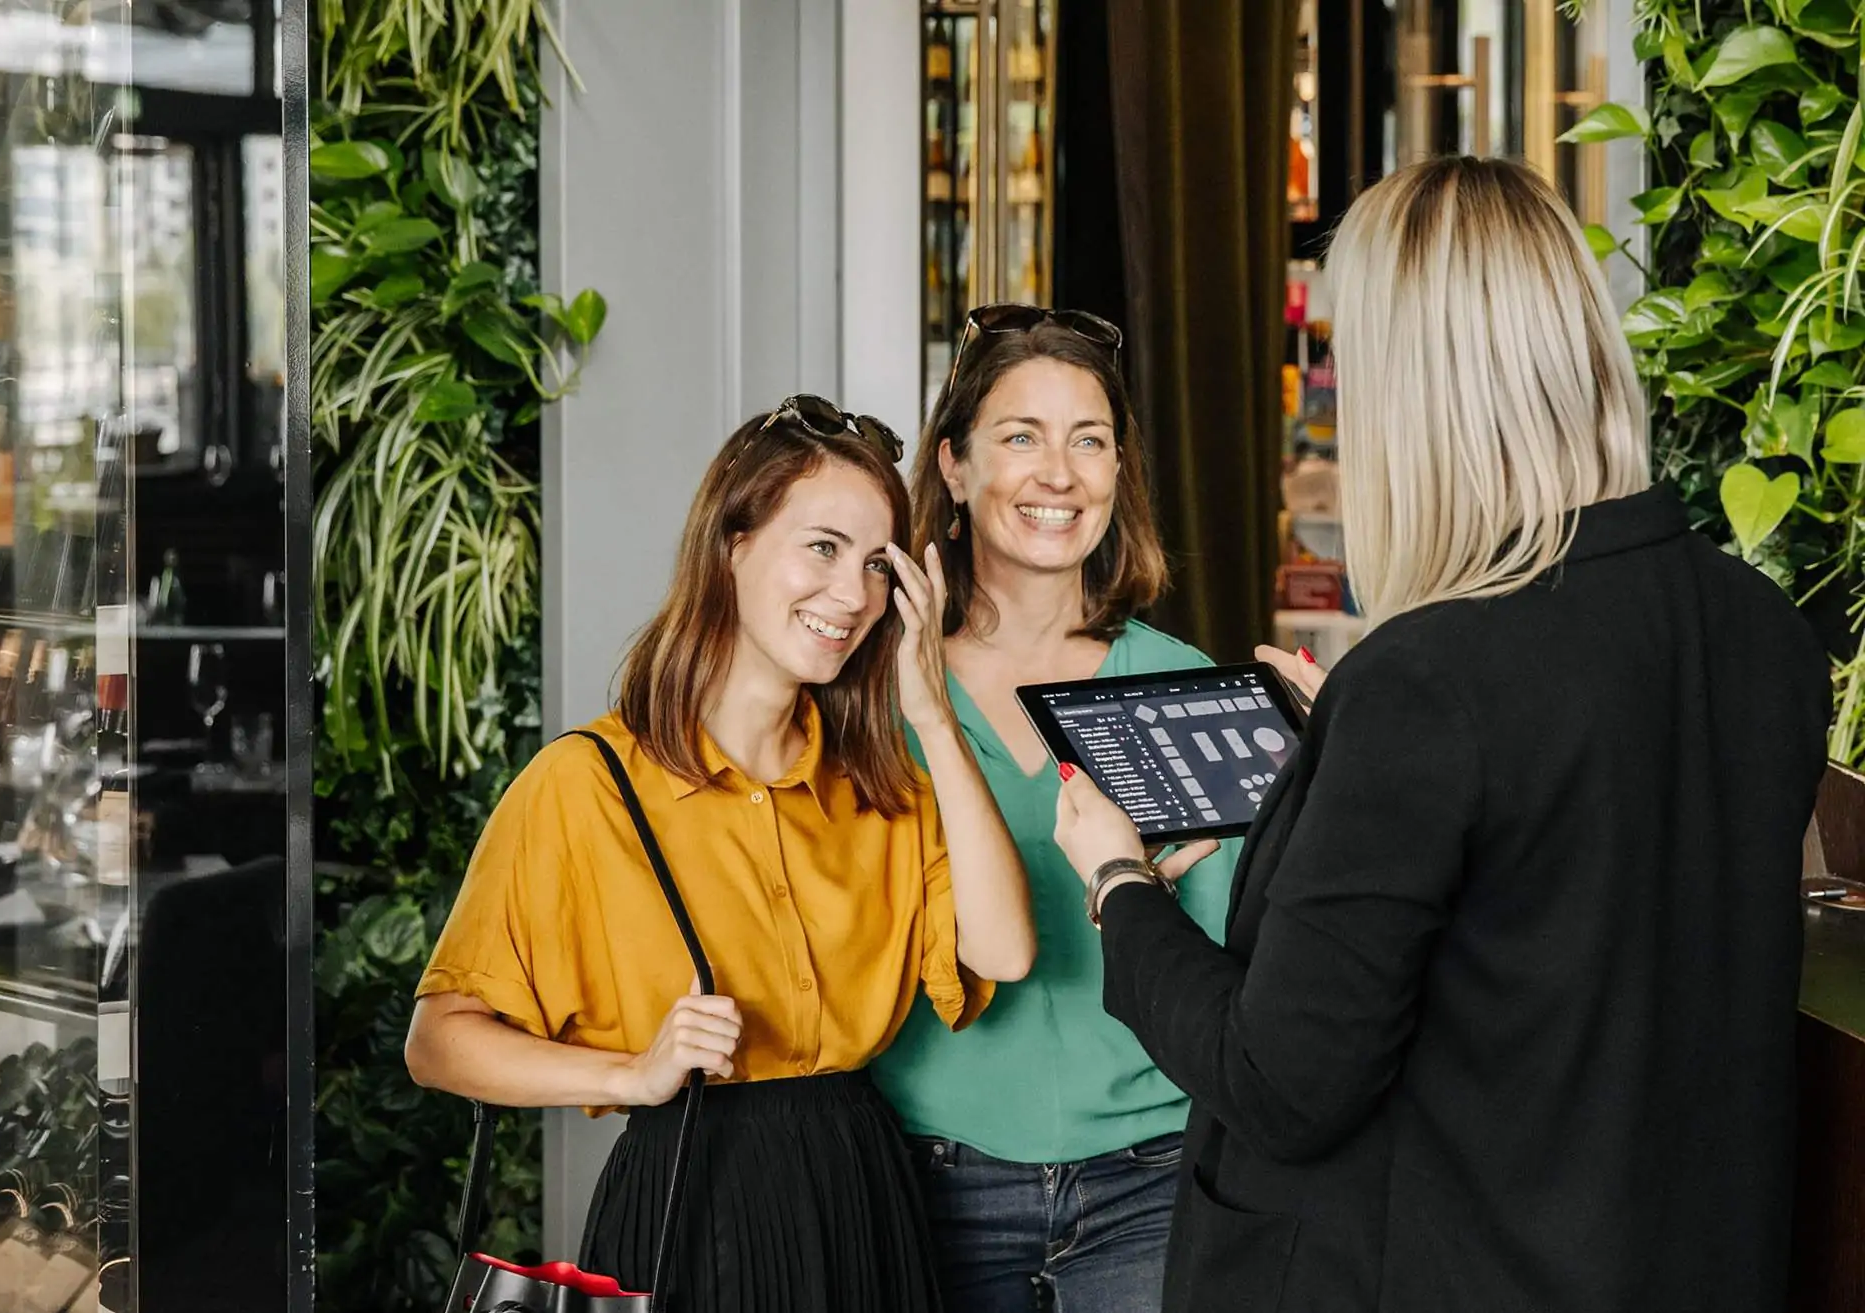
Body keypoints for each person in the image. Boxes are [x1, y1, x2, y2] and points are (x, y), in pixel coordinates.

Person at [1049, 155, 1832, 1313]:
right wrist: (1349, 765)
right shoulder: (1765, 630)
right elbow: (1581, 897)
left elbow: (1281, 1081)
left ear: (1420, 392)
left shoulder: (1430, 680)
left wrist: (1119, 883)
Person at [404, 396, 1036, 1313]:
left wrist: (933, 711)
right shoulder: (585, 785)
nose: (851, 595)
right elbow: (438, 1040)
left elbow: (1005, 950)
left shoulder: (881, 786)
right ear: (732, 543)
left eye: (874, 565)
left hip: (860, 1193)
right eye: (820, 547)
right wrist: (630, 1073)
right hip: (688, 1205)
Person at [870, 303, 1238, 1311]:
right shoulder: (878, 691)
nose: (1059, 474)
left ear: (1121, 472)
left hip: (1151, 1184)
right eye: (1020, 436)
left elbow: (1239, 978)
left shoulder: (1179, 684)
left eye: (1091, 440)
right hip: (929, 1173)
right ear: (953, 466)